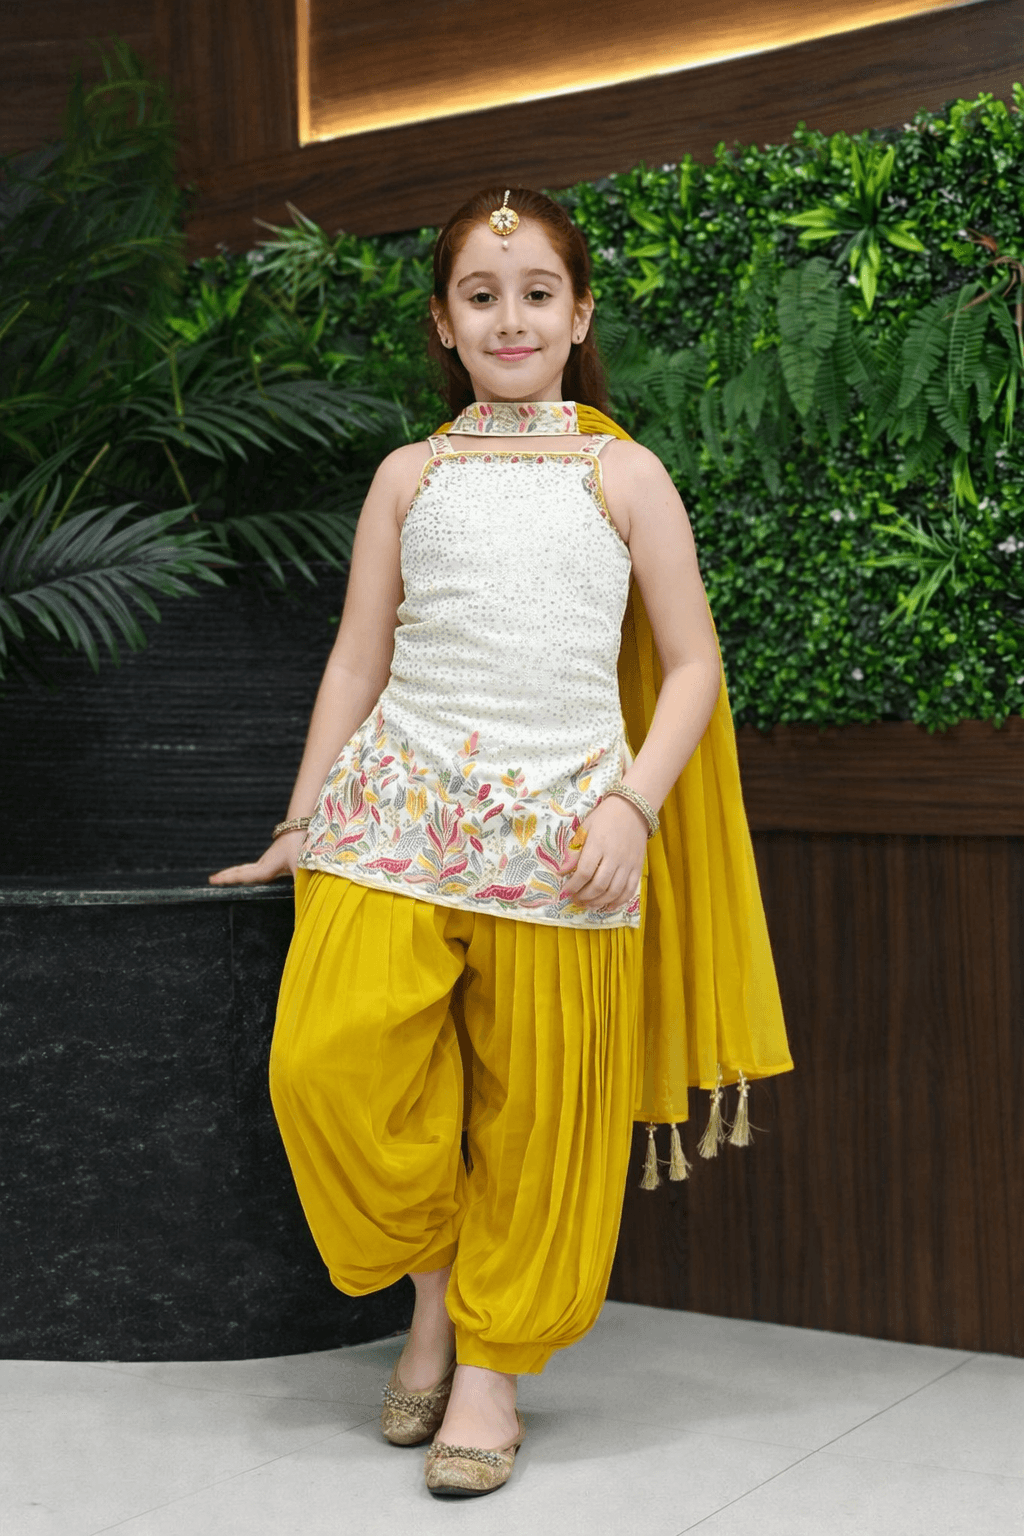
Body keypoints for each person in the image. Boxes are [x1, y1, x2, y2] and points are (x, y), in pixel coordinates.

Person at [211, 186, 793, 1499]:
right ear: (444, 321)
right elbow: (355, 659)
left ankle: (489, 1368)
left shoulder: (624, 474)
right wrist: (300, 821)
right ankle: (435, 1293)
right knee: (326, 1066)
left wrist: (633, 806)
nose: (510, 317)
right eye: (483, 295)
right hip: (391, 819)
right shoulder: (407, 476)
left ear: (579, 317)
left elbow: (693, 667)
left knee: (540, 1117)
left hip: (566, 836)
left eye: (537, 293)